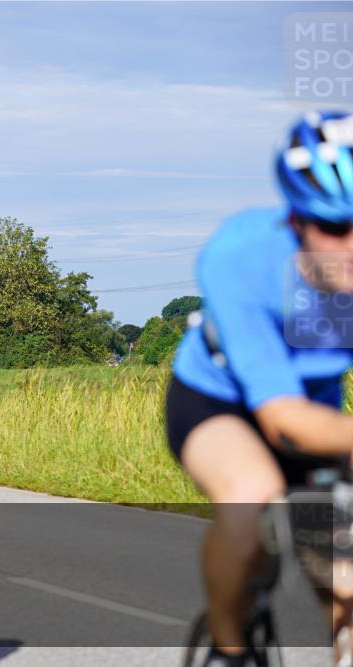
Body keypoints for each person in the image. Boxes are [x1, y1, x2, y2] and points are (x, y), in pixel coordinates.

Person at [167, 110, 353, 666]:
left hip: (316, 405)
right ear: (296, 220)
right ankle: (229, 646)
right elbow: (280, 420)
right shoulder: (241, 257)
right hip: (220, 401)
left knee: (341, 566)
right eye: (335, 228)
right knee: (251, 497)